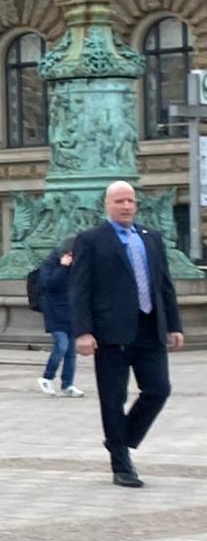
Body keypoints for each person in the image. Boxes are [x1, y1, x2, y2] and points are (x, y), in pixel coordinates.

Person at [71, 181, 185, 488]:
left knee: (158, 389)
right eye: (119, 201)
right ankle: (121, 465)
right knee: (113, 399)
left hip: (149, 328)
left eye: (130, 201)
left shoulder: (151, 238)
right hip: (111, 333)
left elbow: (164, 285)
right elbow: (79, 289)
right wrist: (82, 331)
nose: (126, 206)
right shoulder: (91, 240)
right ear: (107, 204)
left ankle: (120, 440)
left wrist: (174, 325)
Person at [36, 243, 81, 397]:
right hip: (54, 312)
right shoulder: (50, 265)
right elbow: (49, 284)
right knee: (61, 345)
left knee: (71, 352)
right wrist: (63, 267)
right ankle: (47, 377)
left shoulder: (75, 267)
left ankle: (67, 384)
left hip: (71, 313)